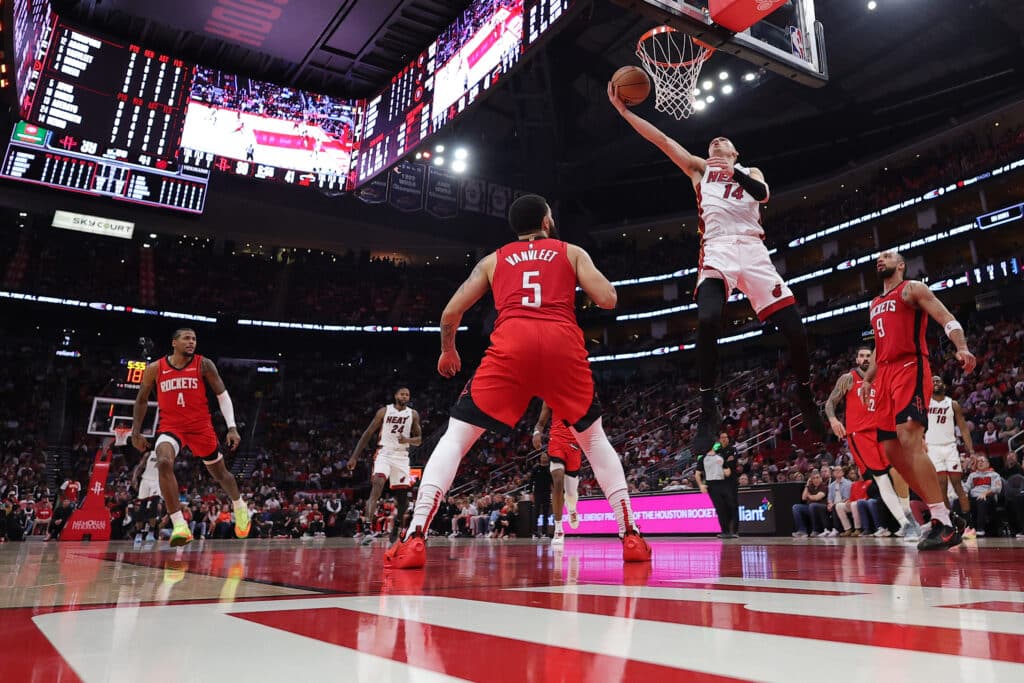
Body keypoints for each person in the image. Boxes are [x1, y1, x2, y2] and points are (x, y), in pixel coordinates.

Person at [384, 194, 652, 569]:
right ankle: (631, 536)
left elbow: (451, 311)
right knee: (594, 440)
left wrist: (448, 350)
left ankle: (415, 536)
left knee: (456, 439)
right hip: (562, 344)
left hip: (512, 345)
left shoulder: (493, 260)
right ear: (547, 221)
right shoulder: (570, 251)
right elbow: (608, 299)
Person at [608, 84, 825, 455]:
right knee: (707, 318)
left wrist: (734, 172)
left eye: (723, 142)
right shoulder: (698, 170)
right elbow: (661, 139)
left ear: (735, 152)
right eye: (712, 142)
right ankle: (708, 406)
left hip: (754, 252)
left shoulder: (749, 170)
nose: (716, 142)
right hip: (718, 249)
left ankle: (804, 393)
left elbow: (763, 194)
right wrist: (625, 112)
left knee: (795, 330)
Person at [859, 250, 977, 550]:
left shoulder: (912, 289)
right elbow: (878, 348)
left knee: (909, 439)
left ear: (901, 265)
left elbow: (945, 316)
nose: (880, 258)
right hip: (884, 375)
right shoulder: (874, 304)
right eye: (878, 256)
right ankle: (942, 514)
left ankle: (944, 522)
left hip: (910, 367)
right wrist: (868, 379)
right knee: (891, 451)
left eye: (887, 255)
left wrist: (961, 346)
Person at [131, 328, 249, 547]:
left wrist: (232, 427)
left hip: (200, 427)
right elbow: (141, 400)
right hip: (171, 427)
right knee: (163, 462)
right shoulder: (155, 368)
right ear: (174, 342)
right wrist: (135, 432)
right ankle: (179, 525)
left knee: (221, 474)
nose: (191, 342)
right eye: (186, 338)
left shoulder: (204, 364)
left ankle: (239, 505)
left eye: (194, 339)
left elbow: (222, 395)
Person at [824, 346, 919, 538]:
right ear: (857, 359)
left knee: (899, 471)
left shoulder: (883, 377)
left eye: (869, 355)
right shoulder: (848, 378)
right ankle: (905, 523)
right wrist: (834, 420)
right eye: (862, 356)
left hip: (882, 430)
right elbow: (829, 403)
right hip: (860, 434)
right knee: (881, 478)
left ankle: (907, 515)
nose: (866, 358)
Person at [348, 387, 422, 544]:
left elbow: (419, 439)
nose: (405, 396)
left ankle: (395, 528)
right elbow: (368, 433)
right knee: (378, 484)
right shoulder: (384, 411)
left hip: (402, 456)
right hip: (385, 453)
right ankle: (367, 528)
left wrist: (407, 440)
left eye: (407, 394)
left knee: (403, 501)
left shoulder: (413, 414)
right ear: (395, 395)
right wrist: (354, 456)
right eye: (402, 393)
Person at [926, 375, 976, 537]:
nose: (935, 383)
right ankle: (949, 524)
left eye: (938, 380)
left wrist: (972, 451)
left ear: (944, 386)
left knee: (957, 485)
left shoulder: (952, 404)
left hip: (950, 447)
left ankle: (969, 526)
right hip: (932, 448)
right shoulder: (925, 403)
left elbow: (963, 428)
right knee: (941, 486)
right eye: (932, 381)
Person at [533, 401, 582, 546]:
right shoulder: (550, 395)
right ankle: (559, 529)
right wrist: (537, 432)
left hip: (574, 444)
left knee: (571, 493)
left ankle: (572, 509)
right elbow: (540, 423)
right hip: (556, 441)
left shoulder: (578, 391)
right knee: (558, 480)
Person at [694, 433, 739, 538]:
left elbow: (727, 470)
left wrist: (724, 470)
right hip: (712, 485)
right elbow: (697, 474)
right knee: (720, 508)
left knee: (731, 505)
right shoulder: (703, 459)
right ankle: (725, 531)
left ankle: (732, 531)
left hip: (724, 483)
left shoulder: (720, 457)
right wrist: (701, 485)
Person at [530, 452, 554, 538]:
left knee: (546, 513)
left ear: (547, 458)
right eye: (542, 457)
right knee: (536, 513)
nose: (544, 458)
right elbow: (531, 481)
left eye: (545, 457)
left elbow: (552, 481)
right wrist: (530, 492)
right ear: (540, 458)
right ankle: (535, 532)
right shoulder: (536, 468)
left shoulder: (550, 468)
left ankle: (544, 532)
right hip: (537, 493)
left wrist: (554, 490)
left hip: (547, 493)